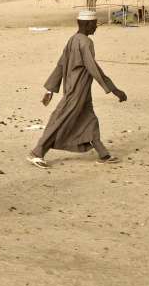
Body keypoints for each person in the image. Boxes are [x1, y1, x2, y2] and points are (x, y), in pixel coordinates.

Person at [27, 10, 128, 169]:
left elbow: (60, 65)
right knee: (60, 120)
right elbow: (93, 68)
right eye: (94, 25)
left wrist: (50, 90)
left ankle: (103, 154)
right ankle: (37, 152)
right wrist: (114, 89)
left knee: (89, 119)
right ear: (87, 24)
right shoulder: (85, 42)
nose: (95, 27)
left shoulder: (72, 40)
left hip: (81, 91)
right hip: (76, 90)